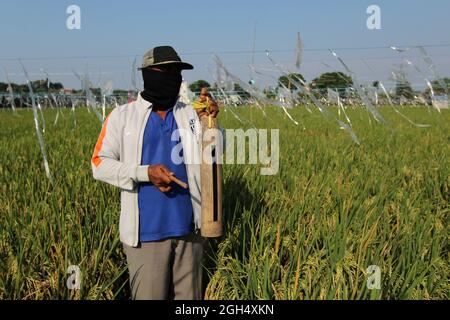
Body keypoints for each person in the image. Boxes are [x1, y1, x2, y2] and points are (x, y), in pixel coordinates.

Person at [91, 46, 218, 300]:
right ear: (148, 73)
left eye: (178, 71)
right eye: (167, 70)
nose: (173, 76)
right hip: (145, 236)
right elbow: (99, 164)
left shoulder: (191, 114)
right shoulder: (121, 117)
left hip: (189, 232)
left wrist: (211, 122)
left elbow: (212, 158)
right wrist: (145, 173)